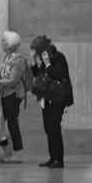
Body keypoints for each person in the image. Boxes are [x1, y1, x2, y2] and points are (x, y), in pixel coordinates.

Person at [29, 35, 73, 169]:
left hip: (58, 98)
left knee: (54, 127)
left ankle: (59, 160)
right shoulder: (43, 58)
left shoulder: (59, 57)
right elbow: (39, 76)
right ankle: (52, 157)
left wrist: (48, 64)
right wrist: (34, 63)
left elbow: (59, 74)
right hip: (47, 98)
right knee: (48, 128)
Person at [0, 31, 28, 164]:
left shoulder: (18, 59)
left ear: (12, 43)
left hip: (12, 95)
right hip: (3, 94)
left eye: (5, 41)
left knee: (12, 123)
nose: (2, 42)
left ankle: (16, 153)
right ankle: (5, 151)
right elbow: (2, 75)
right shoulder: (5, 58)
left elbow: (13, 80)